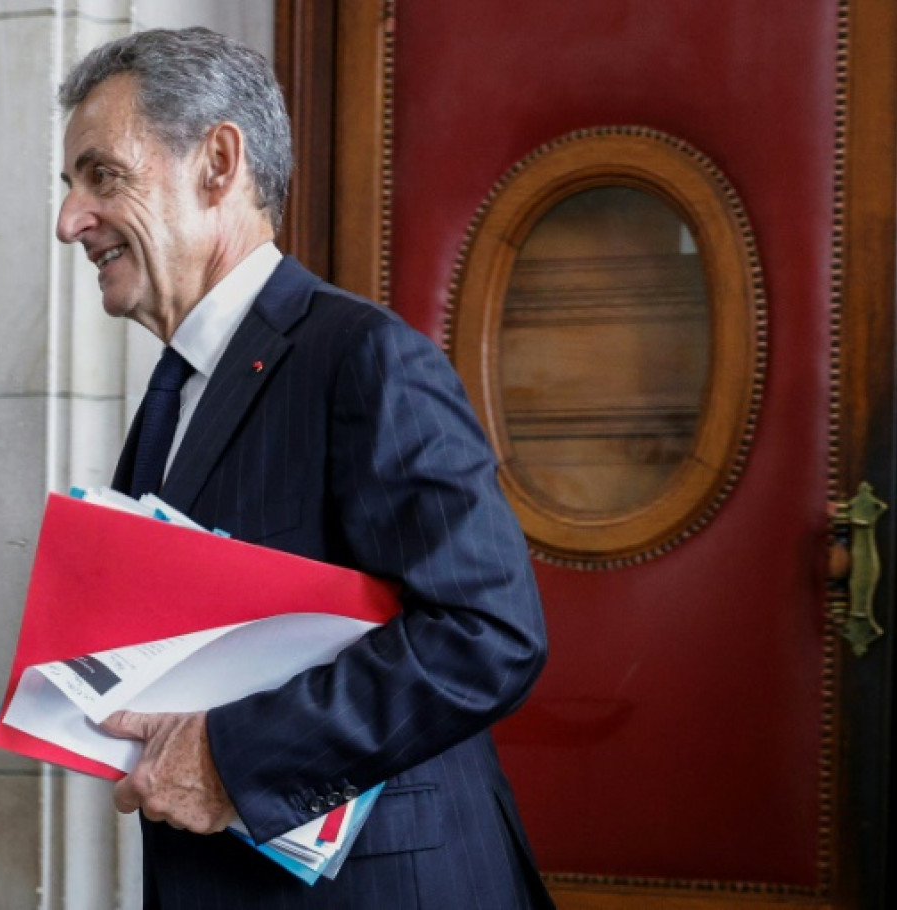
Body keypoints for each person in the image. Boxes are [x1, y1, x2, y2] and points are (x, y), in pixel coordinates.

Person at [55, 26, 553, 909]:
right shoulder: (171, 398)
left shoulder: (362, 358)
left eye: (103, 176)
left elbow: (488, 635)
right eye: (70, 186)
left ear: (218, 163)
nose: (70, 222)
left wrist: (227, 756)